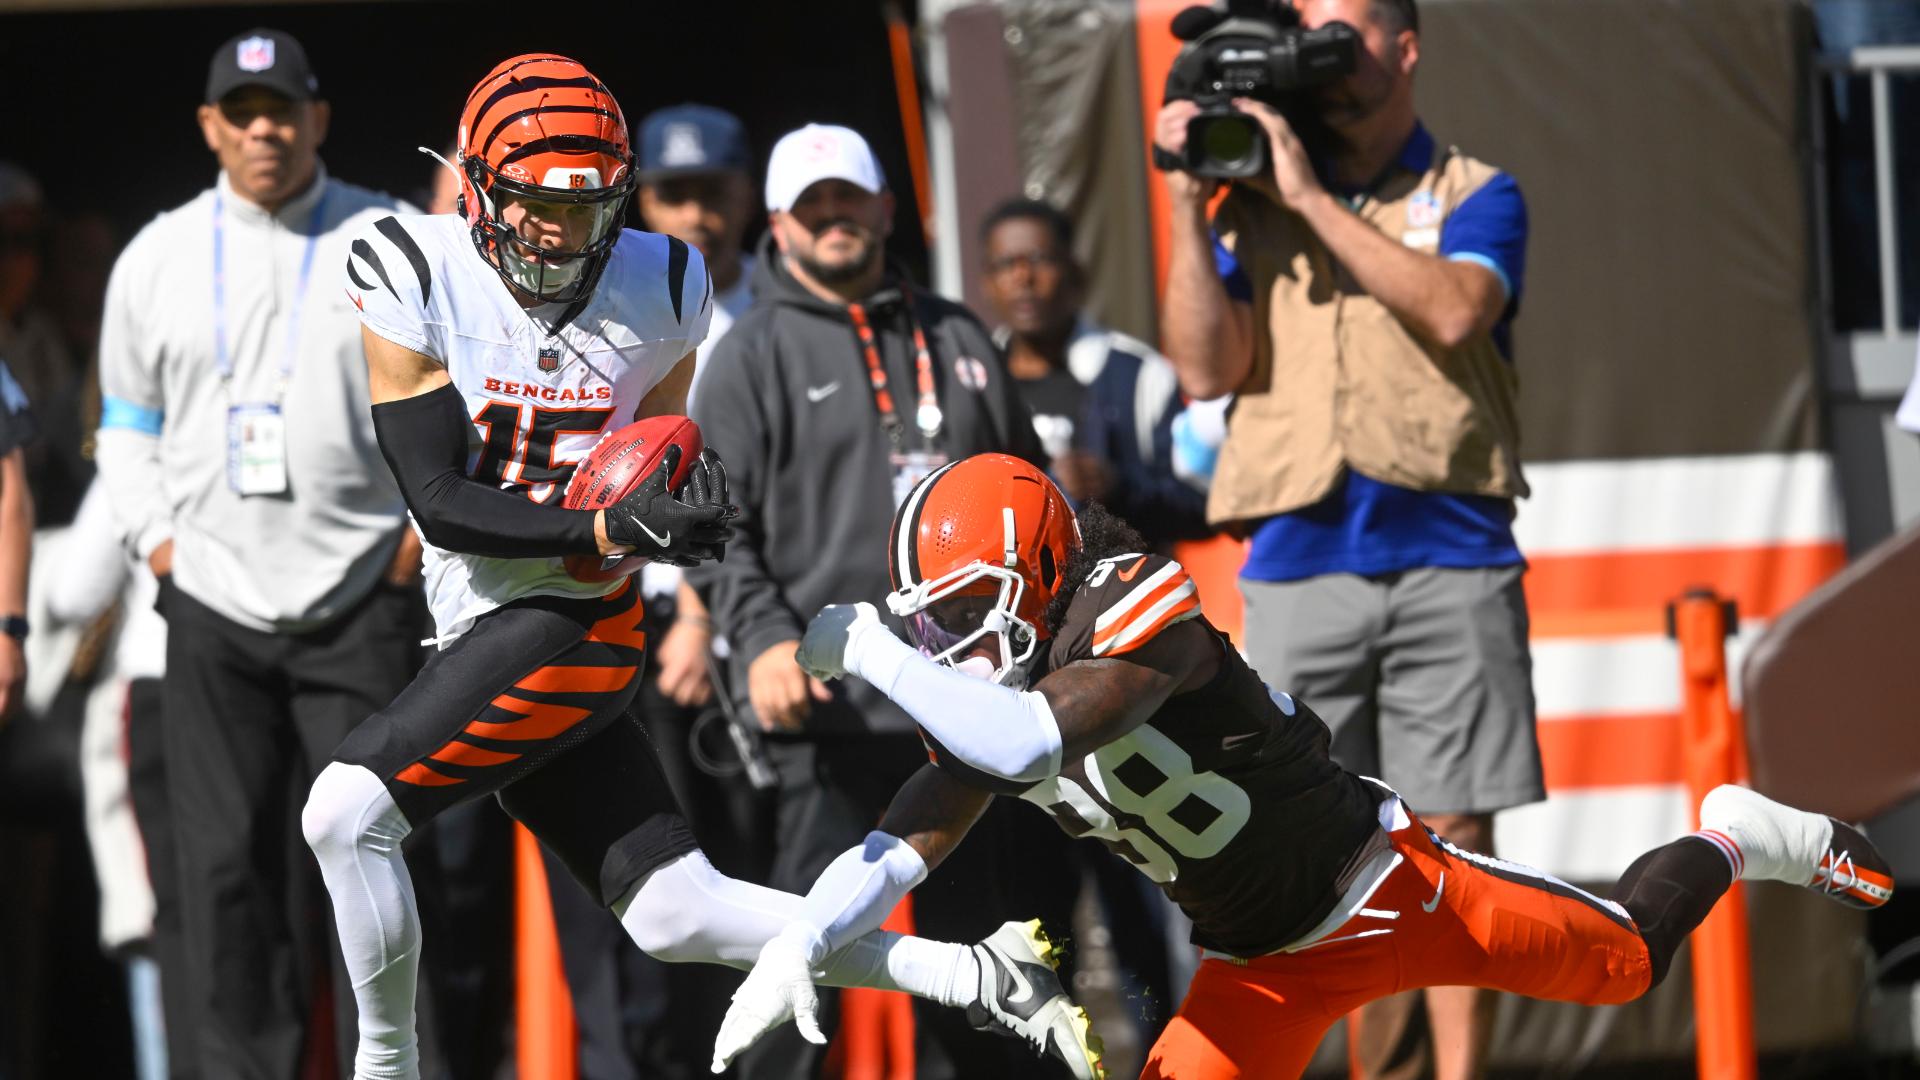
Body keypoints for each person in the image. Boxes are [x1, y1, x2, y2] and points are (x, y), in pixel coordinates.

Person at [300, 56, 1101, 1080]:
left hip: (579, 626)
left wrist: (682, 516)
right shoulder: (407, 264)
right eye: (538, 204)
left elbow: (665, 453)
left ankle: (386, 1065)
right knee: (675, 914)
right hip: (492, 606)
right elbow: (440, 504)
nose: (561, 230)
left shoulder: (668, 280)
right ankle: (972, 973)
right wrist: (608, 530)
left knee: (345, 812)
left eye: (587, 206)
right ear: (477, 188)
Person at [708, 452, 1899, 1080]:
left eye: (963, 611)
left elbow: (1032, 738)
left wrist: (865, 647)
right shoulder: (976, 695)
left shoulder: (1140, 606)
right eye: (925, 626)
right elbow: (912, 828)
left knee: (1629, 961)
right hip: (1256, 967)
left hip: (1382, 891)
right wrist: (805, 936)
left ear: (1039, 570)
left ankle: (1744, 835)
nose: (946, 650)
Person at [1155, 1, 1534, 1072]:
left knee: (1457, 845)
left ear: (1405, 47)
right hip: (1295, 562)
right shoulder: (1251, 207)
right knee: (1322, 855)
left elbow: (1458, 311)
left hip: (1451, 555)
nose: (1324, 54)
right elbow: (1203, 370)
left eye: (1347, 30)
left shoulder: (1476, 191)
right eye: (1306, 31)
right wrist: (1192, 208)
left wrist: (1310, 196)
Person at [90, 29, 437, 1076]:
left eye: (282, 109)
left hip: (360, 599)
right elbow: (124, 426)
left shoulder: (389, 236)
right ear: (210, 128)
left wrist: (415, 545)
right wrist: (157, 549)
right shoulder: (155, 255)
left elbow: (457, 407)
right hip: (212, 608)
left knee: (376, 866)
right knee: (226, 875)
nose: (263, 131)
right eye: (241, 112)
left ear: (318, 120)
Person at [690, 122, 1056, 1079]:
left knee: (978, 965)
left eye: (850, 199)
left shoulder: (958, 332)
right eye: (814, 208)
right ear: (778, 223)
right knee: (810, 957)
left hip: (972, 711)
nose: (835, 219)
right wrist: (765, 640)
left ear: (886, 207)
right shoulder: (749, 350)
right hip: (832, 711)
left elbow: (1037, 498)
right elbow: (715, 530)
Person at [542, 101, 768, 1080]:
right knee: (623, 881)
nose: (695, 215)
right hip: (628, 614)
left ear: (745, 195)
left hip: (747, 631)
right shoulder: (610, 297)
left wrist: (713, 613)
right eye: (672, 194)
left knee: (738, 881)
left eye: (712, 192)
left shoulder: (776, 311)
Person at [978, 197, 1211, 548]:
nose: (1022, 277)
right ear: (987, 282)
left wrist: (1118, 488)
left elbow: (1201, 506)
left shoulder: (1136, 374)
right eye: (1006, 264)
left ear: (1075, 273)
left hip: (1118, 596)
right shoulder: (973, 380)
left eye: (1039, 260)